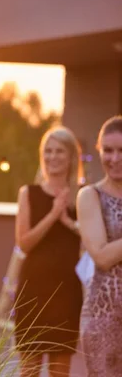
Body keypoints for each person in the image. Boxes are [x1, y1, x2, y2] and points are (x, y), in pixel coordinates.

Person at [14, 126, 84, 377]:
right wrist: (54, 214)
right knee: (29, 372)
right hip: (33, 291)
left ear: (70, 157)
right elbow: (24, 243)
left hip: (66, 294)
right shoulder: (28, 193)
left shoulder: (82, 198)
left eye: (59, 151)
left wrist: (68, 221)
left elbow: (90, 242)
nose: (52, 157)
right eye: (48, 151)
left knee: (59, 373)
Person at [77, 116, 122, 376]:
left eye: (121, 150)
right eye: (108, 150)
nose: (114, 158)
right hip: (103, 318)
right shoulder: (90, 196)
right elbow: (102, 257)